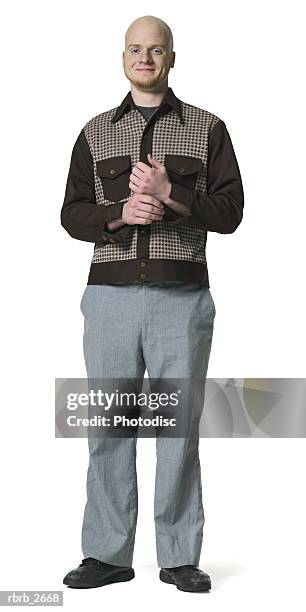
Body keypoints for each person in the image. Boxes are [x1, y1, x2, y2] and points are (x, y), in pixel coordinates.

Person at [61, 15, 244, 593]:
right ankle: (108, 554)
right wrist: (118, 214)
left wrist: (172, 194)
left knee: (178, 430)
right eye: (136, 50)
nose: (146, 58)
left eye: (156, 50)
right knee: (108, 429)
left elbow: (231, 213)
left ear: (171, 57)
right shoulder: (95, 132)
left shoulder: (207, 128)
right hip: (109, 299)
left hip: (182, 301)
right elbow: (71, 214)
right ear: (123, 58)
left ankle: (178, 556)